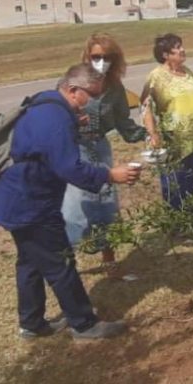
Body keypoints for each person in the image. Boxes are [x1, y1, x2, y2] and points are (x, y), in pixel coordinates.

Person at [0, 64, 141, 340]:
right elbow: (69, 168)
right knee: (60, 263)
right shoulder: (55, 119)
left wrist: (73, 122)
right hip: (31, 205)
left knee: (30, 261)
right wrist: (110, 174)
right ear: (72, 90)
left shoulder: (48, 105)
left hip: (16, 199)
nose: (92, 102)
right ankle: (84, 324)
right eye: (91, 95)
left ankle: (31, 323)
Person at [61, 34, 146, 279]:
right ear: (87, 56)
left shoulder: (116, 88)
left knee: (106, 204)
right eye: (97, 57)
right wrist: (74, 121)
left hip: (100, 148)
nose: (101, 62)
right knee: (75, 208)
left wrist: (147, 133)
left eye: (107, 57)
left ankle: (109, 262)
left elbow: (124, 124)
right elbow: (57, 112)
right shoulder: (73, 80)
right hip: (76, 148)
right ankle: (67, 264)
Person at [142, 33, 193, 210]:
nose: (182, 50)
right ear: (165, 55)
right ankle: (177, 225)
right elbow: (145, 106)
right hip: (173, 138)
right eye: (177, 48)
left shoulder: (188, 72)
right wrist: (153, 133)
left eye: (181, 46)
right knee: (175, 184)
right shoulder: (156, 77)